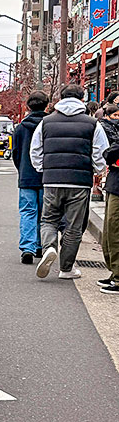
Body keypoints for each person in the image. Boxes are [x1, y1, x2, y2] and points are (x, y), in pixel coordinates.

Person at [31, 84, 110, 279]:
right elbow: (101, 152)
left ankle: (49, 247)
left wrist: (43, 168)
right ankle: (66, 269)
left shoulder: (46, 122)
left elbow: (35, 150)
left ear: (61, 98)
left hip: (52, 180)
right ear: (81, 99)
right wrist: (98, 170)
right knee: (74, 226)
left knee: (48, 219)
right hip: (80, 181)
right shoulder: (92, 124)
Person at [13, 91, 49, 264]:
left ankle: (27, 247)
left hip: (27, 176)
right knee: (45, 214)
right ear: (47, 105)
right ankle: (40, 246)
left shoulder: (20, 128)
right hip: (47, 177)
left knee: (28, 211)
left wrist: (22, 169)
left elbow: (16, 153)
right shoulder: (50, 125)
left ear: (28, 107)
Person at [99, 104, 119, 294]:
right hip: (114, 182)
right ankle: (114, 273)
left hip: (117, 183)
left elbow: (111, 153)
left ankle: (118, 276)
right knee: (110, 230)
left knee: (114, 229)